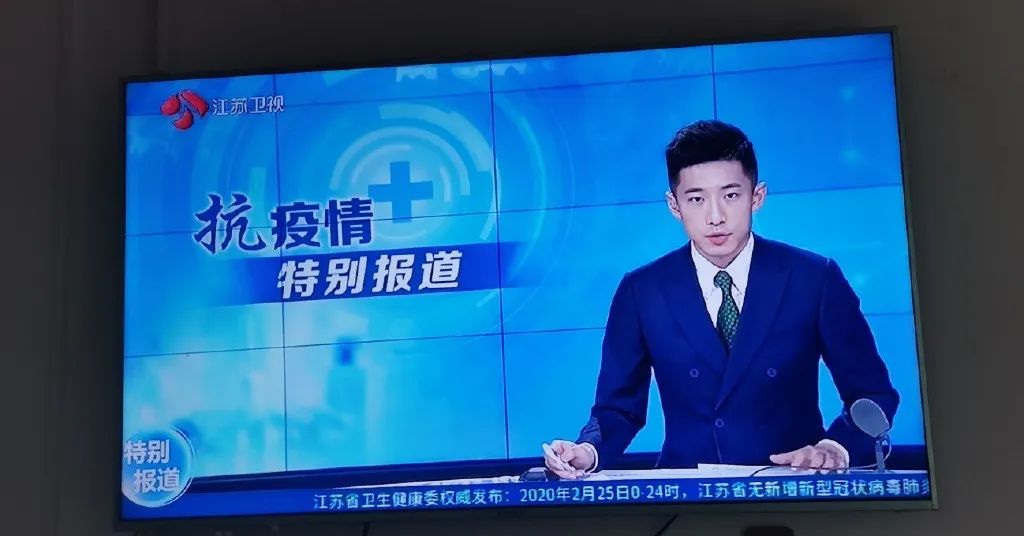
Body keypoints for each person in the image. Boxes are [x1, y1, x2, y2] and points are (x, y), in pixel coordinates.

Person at [543, 119, 899, 478]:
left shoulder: (813, 278)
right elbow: (618, 409)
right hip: (687, 490)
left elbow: (872, 394)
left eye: (730, 196)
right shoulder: (642, 291)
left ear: (757, 197)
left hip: (792, 485)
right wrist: (586, 451)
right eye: (696, 199)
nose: (715, 217)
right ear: (674, 205)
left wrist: (835, 447)